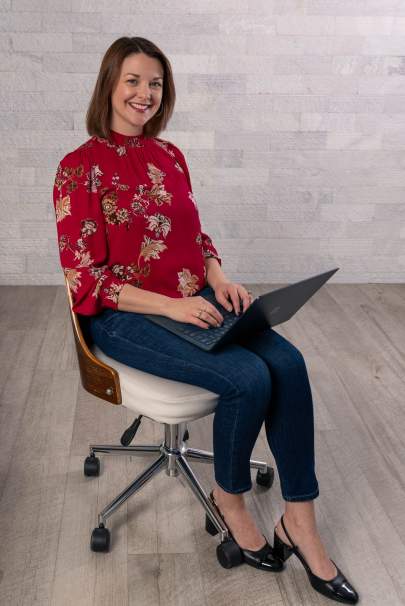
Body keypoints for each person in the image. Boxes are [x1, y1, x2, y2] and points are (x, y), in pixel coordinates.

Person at [52, 36, 359, 604]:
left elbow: (195, 237)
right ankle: (231, 500)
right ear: (109, 85)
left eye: (156, 84)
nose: (146, 94)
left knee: (288, 363)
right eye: (134, 81)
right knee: (248, 377)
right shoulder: (78, 168)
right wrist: (170, 304)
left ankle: (300, 524)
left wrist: (217, 276)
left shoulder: (170, 155)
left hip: (195, 301)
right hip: (126, 316)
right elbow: (85, 279)